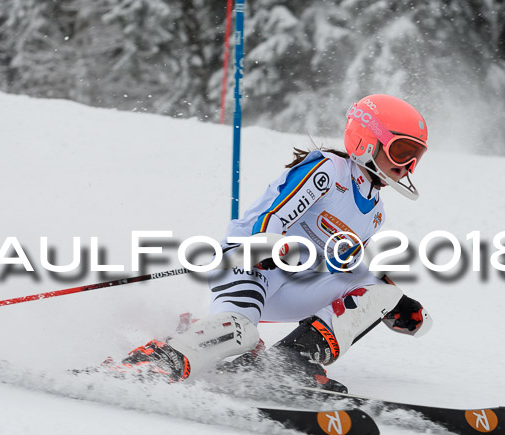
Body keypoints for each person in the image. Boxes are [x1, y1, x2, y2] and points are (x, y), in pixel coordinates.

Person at [105, 94, 433, 391]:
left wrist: (396, 302)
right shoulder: (328, 170)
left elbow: (343, 265)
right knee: (240, 332)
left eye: (415, 157)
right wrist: (267, 245)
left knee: (381, 291)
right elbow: (274, 213)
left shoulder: (375, 212)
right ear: (366, 140)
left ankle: (291, 360)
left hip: (292, 282)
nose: (407, 167)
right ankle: (161, 360)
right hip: (247, 264)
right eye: (401, 151)